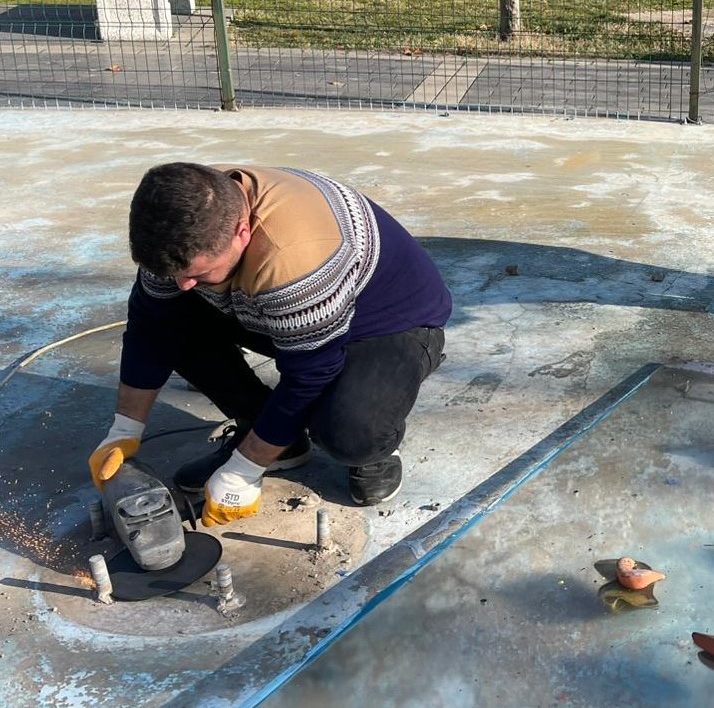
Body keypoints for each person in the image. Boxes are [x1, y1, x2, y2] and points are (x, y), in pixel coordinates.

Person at [87, 163, 452, 526]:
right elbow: (152, 328)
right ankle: (275, 436)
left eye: (197, 273)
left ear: (242, 231)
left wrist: (243, 469)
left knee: (348, 431)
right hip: (281, 308)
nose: (183, 284)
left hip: (387, 321)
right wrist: (124, 430)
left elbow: (309, 376)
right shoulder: (182, 218)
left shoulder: (295, 260)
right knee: (174, 317)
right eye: (175, 274)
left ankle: (373, 452)